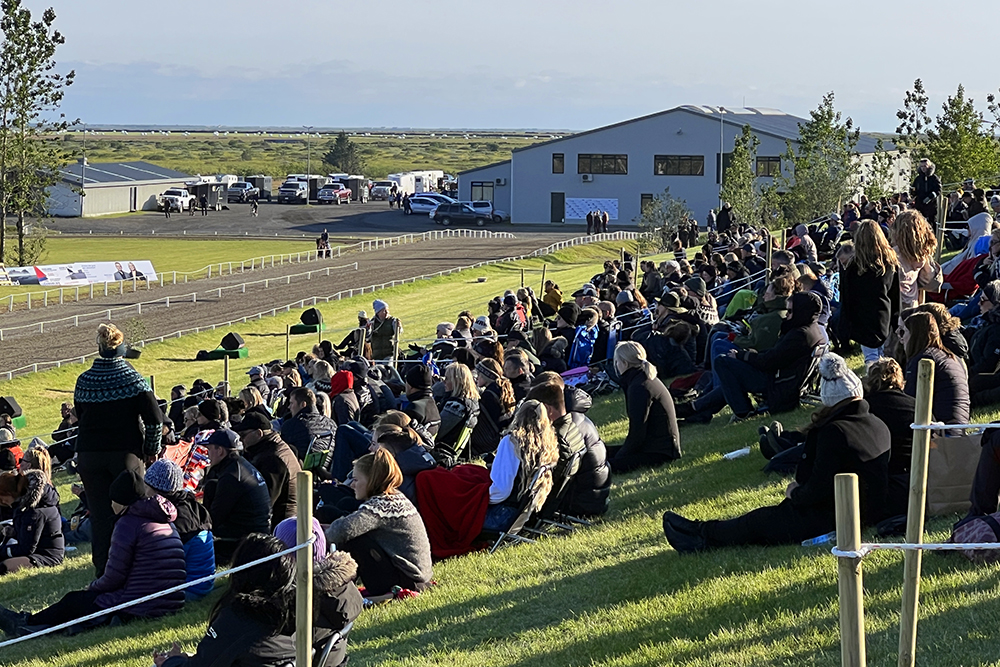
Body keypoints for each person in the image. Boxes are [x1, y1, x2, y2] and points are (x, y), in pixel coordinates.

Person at [663, 353, 891, 551]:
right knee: (762, 522)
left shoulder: (834, 431)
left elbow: (817, 487)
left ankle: (701, 534)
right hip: (865, 510)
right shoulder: (877, 423)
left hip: (835, 516)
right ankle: (701, 531)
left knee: (757, 522)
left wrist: (795, 493)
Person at [0, 468, 186, 637]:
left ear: (120, 501)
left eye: (112, 500)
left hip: (139, 604)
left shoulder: (128, 523)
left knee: (74, 601)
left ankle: (27, 623)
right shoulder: (164, 520)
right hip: (171, 600)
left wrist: (93, 587)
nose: (110, 505)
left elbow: (115, 575)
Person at [74, 323, 163, 576]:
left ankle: (103, 571)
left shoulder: (84, 380)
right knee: (133, 510)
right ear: (122, 348)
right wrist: (150, 448)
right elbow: (155, 419)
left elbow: (81, 415)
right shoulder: (133, 379)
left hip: (90, 455)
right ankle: (138, 565)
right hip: (125, 454)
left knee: (100, 516)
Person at [325, 450, 433, 600]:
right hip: (416, 575)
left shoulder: (380, 507)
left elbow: (341, 531)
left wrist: (317, 534)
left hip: (407, 579)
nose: (352, 485)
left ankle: (332, 588)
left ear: (371, 480)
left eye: (356, 480)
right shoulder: (394, 497)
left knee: (353, 539)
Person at [144, 459, 215, 601]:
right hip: (201, 583)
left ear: (155, 489)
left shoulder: (177, 519)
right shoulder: (190, 506)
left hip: (190, 587)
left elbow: (166, 563)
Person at [198, 429, 272, 566]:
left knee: (195, 543)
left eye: (209, 449)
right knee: (211, 486)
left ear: (220, 451)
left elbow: (214, 518)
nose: (207, 454)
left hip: (246, 540)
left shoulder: (231, 477)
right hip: (259, 530)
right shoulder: (241, 465)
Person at [484, 400, 560, 530]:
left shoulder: (511, 443)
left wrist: (480, 499)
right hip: (523, 514)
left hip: (502, 515)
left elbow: (501, 491)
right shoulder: (548, 443)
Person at [606, 342, 681, 472]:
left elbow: (637, 433)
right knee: (600, 453)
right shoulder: (645, 379)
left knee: (600, 468)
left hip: (659, 452)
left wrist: (620, 457)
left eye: (617, 362)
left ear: (625, 363)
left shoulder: (639, 387)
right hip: (658, 446)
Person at [838, 220, 900, 366]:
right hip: (883, 312)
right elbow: (895, 294)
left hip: (862, 315)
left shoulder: (854, 265)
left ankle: (874, 381)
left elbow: (846, 296)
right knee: (883, 354)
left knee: (871, 355)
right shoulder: (889, 262)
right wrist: (896, 319)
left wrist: (846, 323)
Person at [233, 412, 301, 530]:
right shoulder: (274, 448)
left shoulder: (272, 459)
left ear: (259, 433)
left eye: (243, 435)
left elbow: (264, 501)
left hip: (283, 525)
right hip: (288, 520)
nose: (240, 439)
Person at [900, 312, 970, 426]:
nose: (902, 338)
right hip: (957, 426)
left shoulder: (924, 359)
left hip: (940, 430)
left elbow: (910, 401)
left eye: (904, 332)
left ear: (914, 335)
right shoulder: (948, 355)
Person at [0, 469, 64, 575]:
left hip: (46, 556)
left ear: (9, 493)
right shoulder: (24, 507)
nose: (2, 502)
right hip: (35, 551)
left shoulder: (35, 512)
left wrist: (2, 551)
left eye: (2, 499)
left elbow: (26, 549)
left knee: (3, 567)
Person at [893, 210, 942, 311]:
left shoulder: (894, 255)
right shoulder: (922, 255)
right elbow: (929, 280)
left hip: (897, 305)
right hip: (913, 302)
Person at [434, 363, 480, 462]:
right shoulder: (473, 402)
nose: (444, 382)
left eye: (447, 379)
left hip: (442, 452)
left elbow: (436, 431)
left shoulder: (456, 406)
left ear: (457, 381)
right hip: (453, 451)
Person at [281, 387, 337, 459]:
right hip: (328, 467)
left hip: (302, 467)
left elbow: (284, 452)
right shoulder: (331, 423)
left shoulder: (292, 425)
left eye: (291, 403)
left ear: (303, 404)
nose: (289, 407)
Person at [402, 364, 441, 437]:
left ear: (410, 386)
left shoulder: (414, 408)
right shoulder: (432, 404)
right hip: (427, 446)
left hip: (415, 447)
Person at [912, 158, 941, 226]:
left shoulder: (934, 178)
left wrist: (930, 197)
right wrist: (913, 193)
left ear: (929, 166)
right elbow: (914, 188)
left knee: (931, 222)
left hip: (931, 205)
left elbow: (938, 190)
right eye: (921, 166)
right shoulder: (918, 179)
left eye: (925, 166)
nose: (923, 168)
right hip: (919, 204)